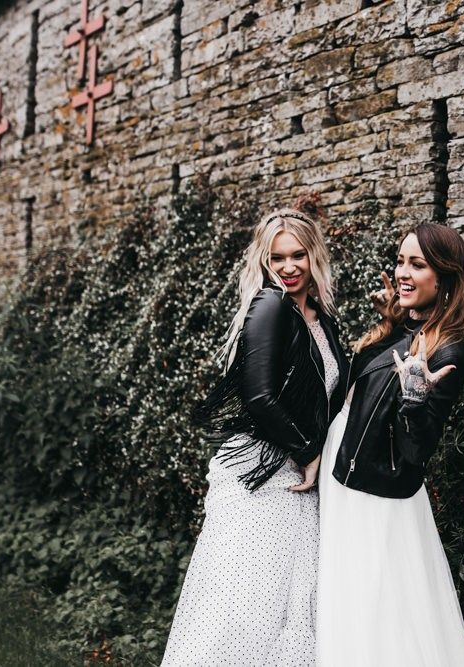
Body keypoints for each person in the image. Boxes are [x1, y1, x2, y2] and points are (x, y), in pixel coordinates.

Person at [162, 206, 349, 666]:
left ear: (314, 256)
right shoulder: (270, 306)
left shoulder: (322, 322)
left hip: (299, 481)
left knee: (291, 607)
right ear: (264, 263)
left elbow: (333, 393)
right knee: (241, 607)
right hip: (261, 474)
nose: (288, 267)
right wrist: (308, 452)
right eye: (277, 258)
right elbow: (259, 396)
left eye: (298, 255)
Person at [316, 223, 464, 667]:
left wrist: (415, 396)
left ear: (444, 278)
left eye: (417, 264)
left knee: (381, 605)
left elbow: (415, 450)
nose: (403, 272)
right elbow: (356, 389)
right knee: (350, 597)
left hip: (378, 492)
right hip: (345, 473)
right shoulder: (406, 331)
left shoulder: (448, 353)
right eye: (401, 260)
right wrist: (388, 324)